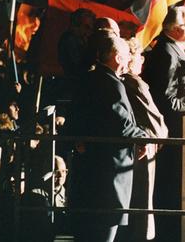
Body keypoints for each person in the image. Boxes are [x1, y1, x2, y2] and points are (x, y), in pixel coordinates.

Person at [70, 33, 149, 242]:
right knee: (105, 233)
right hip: (110, 174)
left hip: (94, 173)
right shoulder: (111, 83)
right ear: (117, 57)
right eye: (126, 56)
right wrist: (144, 137)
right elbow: (121, 124)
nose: (129, 60)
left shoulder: (90, 79)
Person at [144, 6, 185, 241]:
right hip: (174, 132)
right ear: (178, 29)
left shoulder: (181, 50)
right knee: (169, 187)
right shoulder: (167, 53)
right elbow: (164, 97)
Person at [122, 38, 168, 241]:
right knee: (141, 201)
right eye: (139, 55)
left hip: (136, 147)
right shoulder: (134, 83)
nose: (142, 59)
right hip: (142, 148)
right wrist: (161, 134)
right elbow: (156, 123)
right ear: (130, 58)